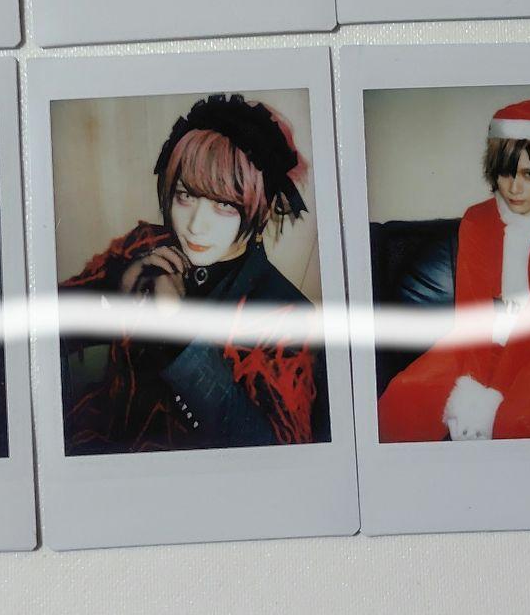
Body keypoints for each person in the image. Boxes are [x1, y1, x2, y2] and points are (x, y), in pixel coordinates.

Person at [59, 94, 329, 454]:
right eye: (185, 196)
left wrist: (181, 335)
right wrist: (115, 294)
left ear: (262, 210)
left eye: (224, 205)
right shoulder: (144, 246)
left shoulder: (287, 316)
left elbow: (273, 456)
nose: (196, 226)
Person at [377, 100, 530, 442]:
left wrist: (491, 396)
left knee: (519, 422)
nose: (513, 188)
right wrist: (472, 386)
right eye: (506, 173)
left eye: (529, 175)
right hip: (484, 334)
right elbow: (473, 308)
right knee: (402, 399)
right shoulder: (477, 220)